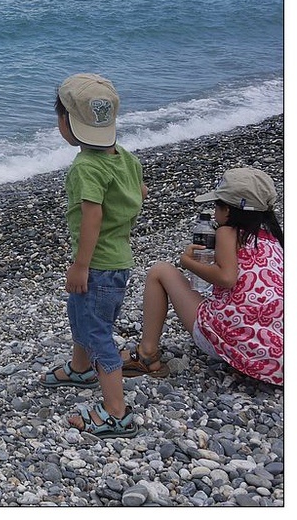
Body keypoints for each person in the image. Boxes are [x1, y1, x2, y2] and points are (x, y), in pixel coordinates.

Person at [41, 73, 147, 438]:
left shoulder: (86, 167)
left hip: (97, 265)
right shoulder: (125, 159)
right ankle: (80, 368)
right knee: (81, 314)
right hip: (118, 260)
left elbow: (92, 215)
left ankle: (117, 412)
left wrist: (80, 264)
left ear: (67, 123)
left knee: (97, 330)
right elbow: (140, 191)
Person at [120, 167, 283, 387]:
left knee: (159, 271)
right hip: (274, 351)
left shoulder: (228, 232)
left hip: (235, 339)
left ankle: (146, 354)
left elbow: (226, 278)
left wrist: (187, 263)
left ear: (229, 210)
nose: (215, 213)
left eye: (217, 206)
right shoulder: (273, 239)